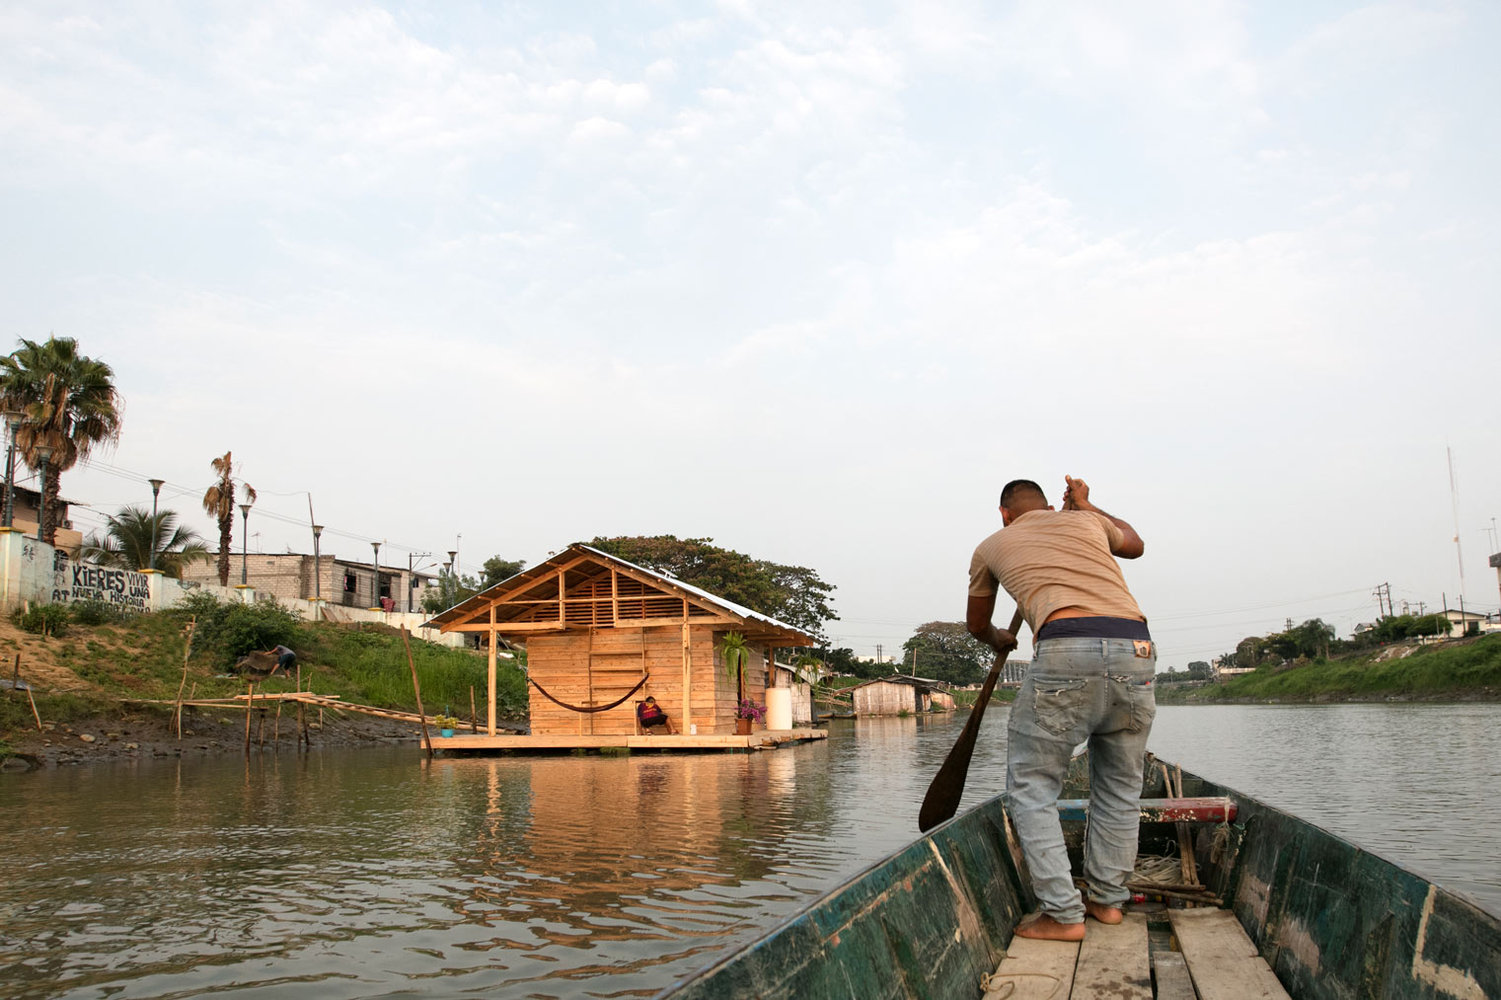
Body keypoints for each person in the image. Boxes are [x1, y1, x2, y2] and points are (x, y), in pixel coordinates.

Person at [966, 475, 1154, 942]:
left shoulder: (992, 545)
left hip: (1066, 648)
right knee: (1120, 788)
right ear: (1052, 507)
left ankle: (1064, 915)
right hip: (1138, 649)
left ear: (1004, 514)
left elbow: (977, 624)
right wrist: (1089, 505)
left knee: (1032, 786)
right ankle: (1108, 903)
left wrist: (999, 638)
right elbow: (1135, 544)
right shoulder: (1089, 524)